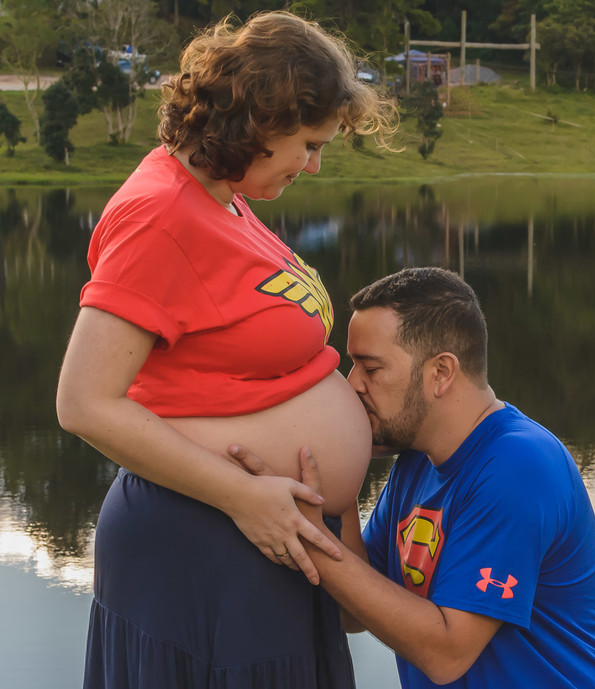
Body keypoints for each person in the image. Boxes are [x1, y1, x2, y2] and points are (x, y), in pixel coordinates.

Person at [55, 11, 393, 688]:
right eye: (310, 142)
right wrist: (243, 495)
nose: (315, 163)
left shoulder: (222, 201)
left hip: (255, 535)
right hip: (201, 542)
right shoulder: (160, 215)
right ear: (263, 121)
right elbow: (84, 403)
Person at [233, 267, 595, 688]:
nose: (352, 385)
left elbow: (447, 653)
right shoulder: (417, 461)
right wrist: (340, 482)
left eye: (370, 369)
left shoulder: (517, 466)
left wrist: (302, 534)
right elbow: (353, 610)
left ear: (441, 372)